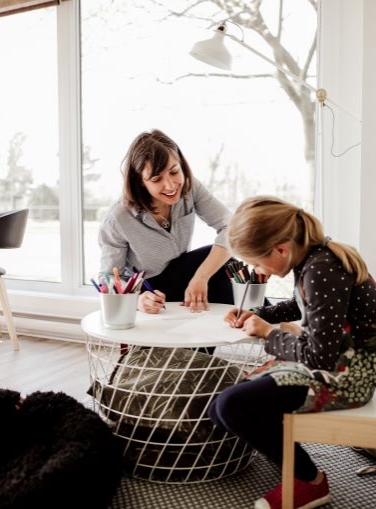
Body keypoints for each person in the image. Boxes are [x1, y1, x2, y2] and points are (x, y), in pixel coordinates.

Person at [208, 195, 376, 509]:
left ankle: (311, 481)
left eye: (257, 263)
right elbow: (304, 306)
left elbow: (318, 357)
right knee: (222, 408)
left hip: (347, 374)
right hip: (335, 362)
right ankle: (295, 464)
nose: (260, 271)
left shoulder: (323, 268)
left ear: (281, 248)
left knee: (232, 405)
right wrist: (259, 314)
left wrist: (268, 333)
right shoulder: (314, 257)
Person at [98, 129, 234, 314]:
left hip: (184, 277)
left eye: (174, 171)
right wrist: (137, 300)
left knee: (221, 264)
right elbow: (107, 277)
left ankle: (263, 325)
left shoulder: (190, 187)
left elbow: (232, 228)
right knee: (215, 262)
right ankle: (271, 329)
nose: (170, 186)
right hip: (150, 290)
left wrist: (200, 277)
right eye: (156, 179)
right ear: (140, 182)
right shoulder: (119, 217)